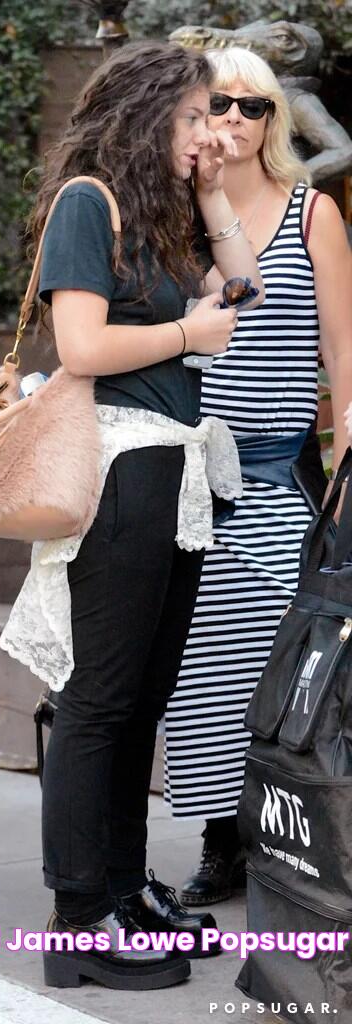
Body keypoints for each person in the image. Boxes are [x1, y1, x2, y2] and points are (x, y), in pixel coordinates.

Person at [1, 41, 263, 991]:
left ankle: (120, 887)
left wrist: (213, 196)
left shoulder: (165, 212)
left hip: (175, 472)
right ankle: (77, 916)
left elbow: (251, 286)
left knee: (142, 698)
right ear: (148, 111)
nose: (209, 132)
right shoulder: (88, 201)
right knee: (99, 700)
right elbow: (78, 343)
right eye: (195, 116)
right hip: (115, 468)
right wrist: (190, 332)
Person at [164, 47, 352, 906]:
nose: (234, 121)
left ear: (274, 120)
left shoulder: (314, 213)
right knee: (201, 667)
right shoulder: (174, 210)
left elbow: (342, 352)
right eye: (218, 105)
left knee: (282, 661)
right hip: (187, 478)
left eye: (252, 106)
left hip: (283, 476)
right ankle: (220, 843)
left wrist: (347, 451)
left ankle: (286, 837)